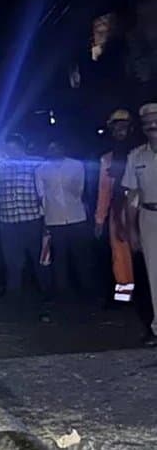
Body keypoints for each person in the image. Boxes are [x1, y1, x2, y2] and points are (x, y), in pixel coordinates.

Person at [0, 134, 49, 321]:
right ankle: (14, 305)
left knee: (39, 261)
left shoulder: (36, 163)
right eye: (7, 149)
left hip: (32, 220)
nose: (10, 152)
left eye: (13, 148)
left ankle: (47, 300)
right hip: (8, 222)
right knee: (13, 265)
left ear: (22, 147)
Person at [36, 140, 95, 299]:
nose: (54, 150)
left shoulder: (76, 165)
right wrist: (44, 221)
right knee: (60, 258)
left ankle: (87, 291)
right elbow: (41, 197)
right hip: (54, 219)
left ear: (64, 147)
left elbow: (81, 190)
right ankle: (63, 294)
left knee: (81, 256)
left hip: (77, 216)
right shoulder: (41, 169)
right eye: (51, 148)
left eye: (57, 147)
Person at [122, 102, 157, 346]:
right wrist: (132, 230)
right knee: (154, 275)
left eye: (156, 121)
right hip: (149, 217)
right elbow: (132, 196)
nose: (153, 126)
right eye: (148, 124)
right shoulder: (136, 156)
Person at [96, 109, 138, 304]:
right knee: (120, 257)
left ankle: (146, 295)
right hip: (118, 211)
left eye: (124, 126)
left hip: (142, 208)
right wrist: (99, 219)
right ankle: (124, 298)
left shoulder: (141, 153)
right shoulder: (107, 159)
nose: (120, 130)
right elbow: (104, 190)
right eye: (116, 127)